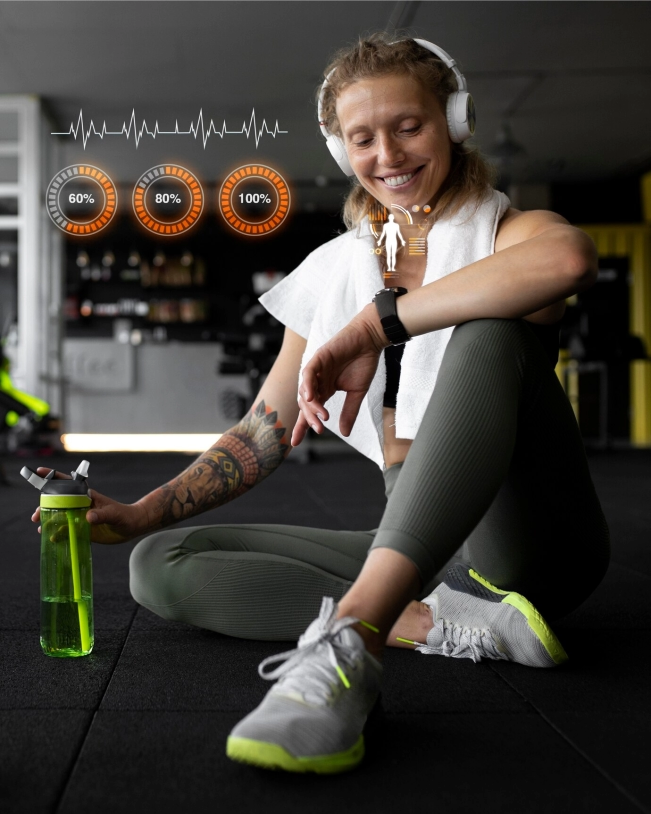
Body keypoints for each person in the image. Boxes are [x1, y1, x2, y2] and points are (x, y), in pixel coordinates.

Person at [32, 34, 609, 774]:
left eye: (409, 126)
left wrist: (377, 325)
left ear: (453, 122)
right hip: (423, 550)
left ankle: (356, 634)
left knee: (490, 326)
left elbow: (568, 260)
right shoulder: (336, 270)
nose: (388, 154)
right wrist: (141, 511)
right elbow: (264, 432)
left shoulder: (509, 233)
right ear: (342, 152)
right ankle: (428, 622)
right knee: (160, 563)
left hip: (526, 545)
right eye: (363, 138)